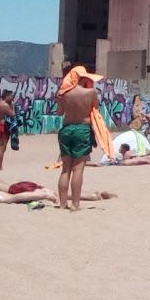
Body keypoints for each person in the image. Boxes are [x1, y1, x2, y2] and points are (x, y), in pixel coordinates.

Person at [57, 66, 103, 211]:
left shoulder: (63, 93)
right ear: (83, 77)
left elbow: (59, 112)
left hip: (66, 129)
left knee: (65, 169)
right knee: (78, 169)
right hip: (82, 129)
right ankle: (75, 204)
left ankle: (63, 203)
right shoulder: (90, 92)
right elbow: (95, 109)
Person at [0, 88, 18, 171]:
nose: (12, 98)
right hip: (2, 126)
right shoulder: (5, 105)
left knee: (3, 147)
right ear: (6, 96)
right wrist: (13, 106)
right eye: (10, 96)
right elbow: (13, 114)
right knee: (2, 147)